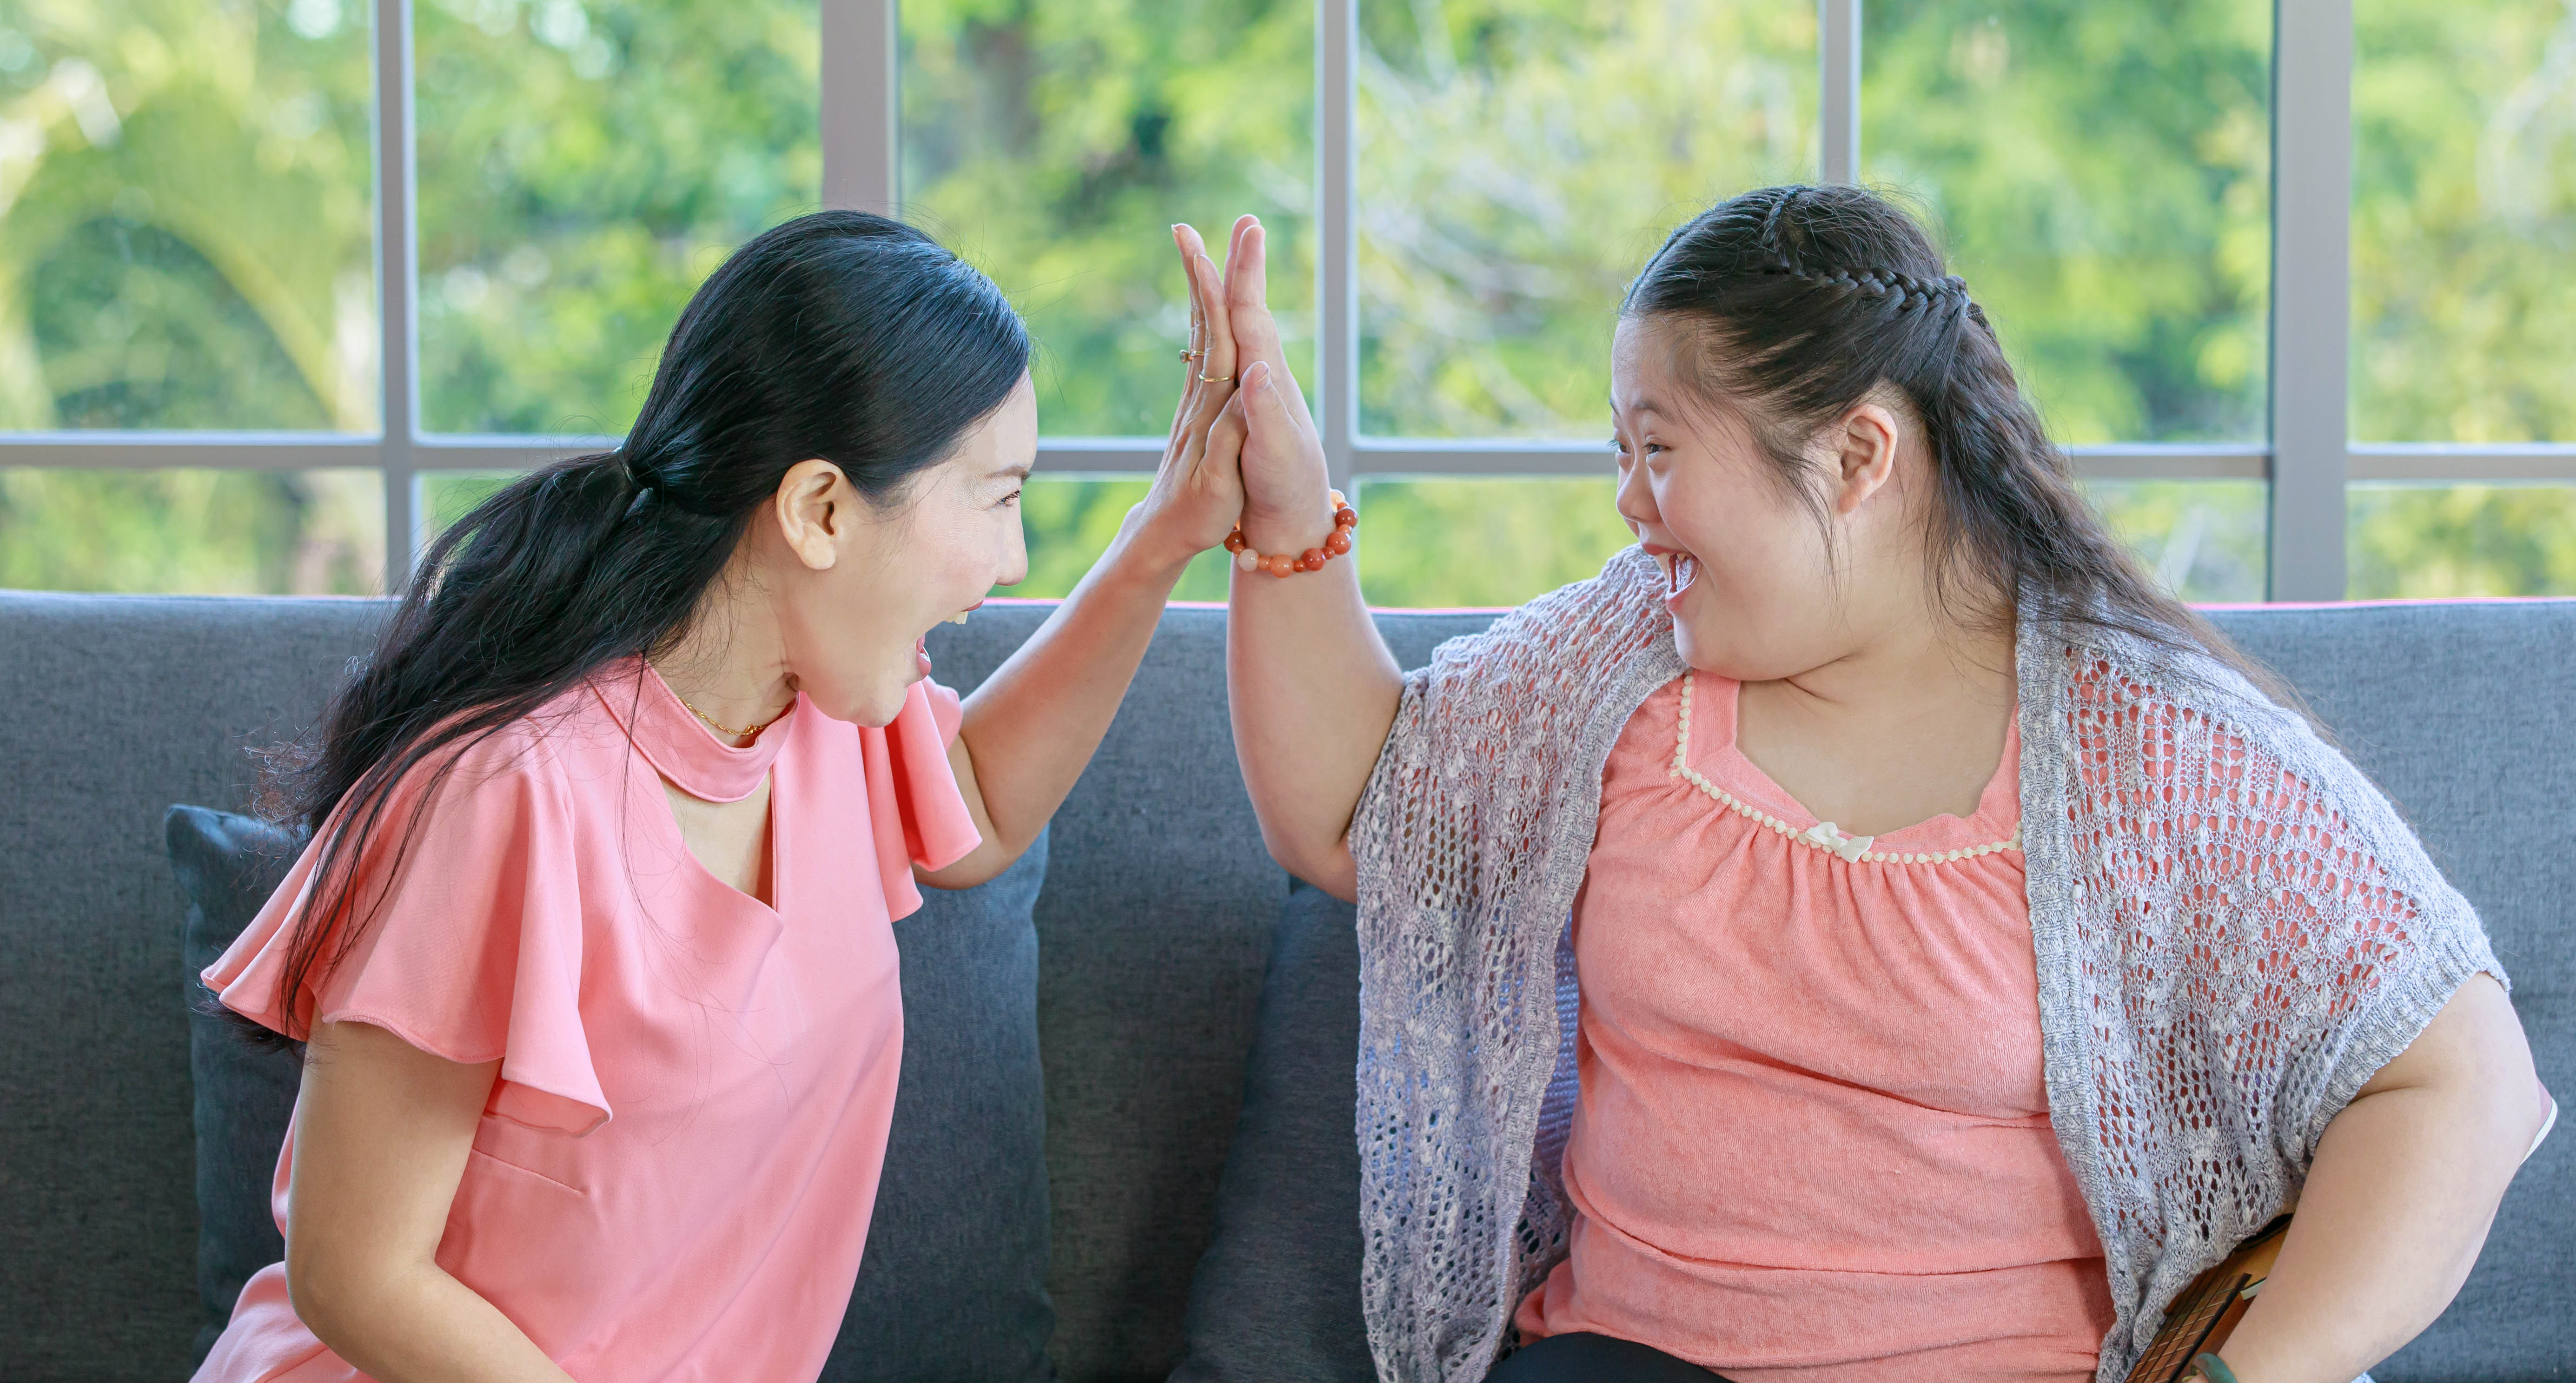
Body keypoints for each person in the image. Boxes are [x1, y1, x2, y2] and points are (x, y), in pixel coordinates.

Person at [1206, 186, 2555, 1383]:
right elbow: (1356, 819)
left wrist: (2250, 1375)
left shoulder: (2147, 752)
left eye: (1658, 448)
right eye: (1618, 452)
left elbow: (2462, 1083)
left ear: (1856, 457)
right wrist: (1286, 516)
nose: (1626, 500)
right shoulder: (1621, 658)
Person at [193, 211, 1256, 1383]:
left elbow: (982, 811)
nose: (1009, 564)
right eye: (997, 499)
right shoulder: (504, 793)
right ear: (820, 512)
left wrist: (1163, 540)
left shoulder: (830, 710)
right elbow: (356, 1276)